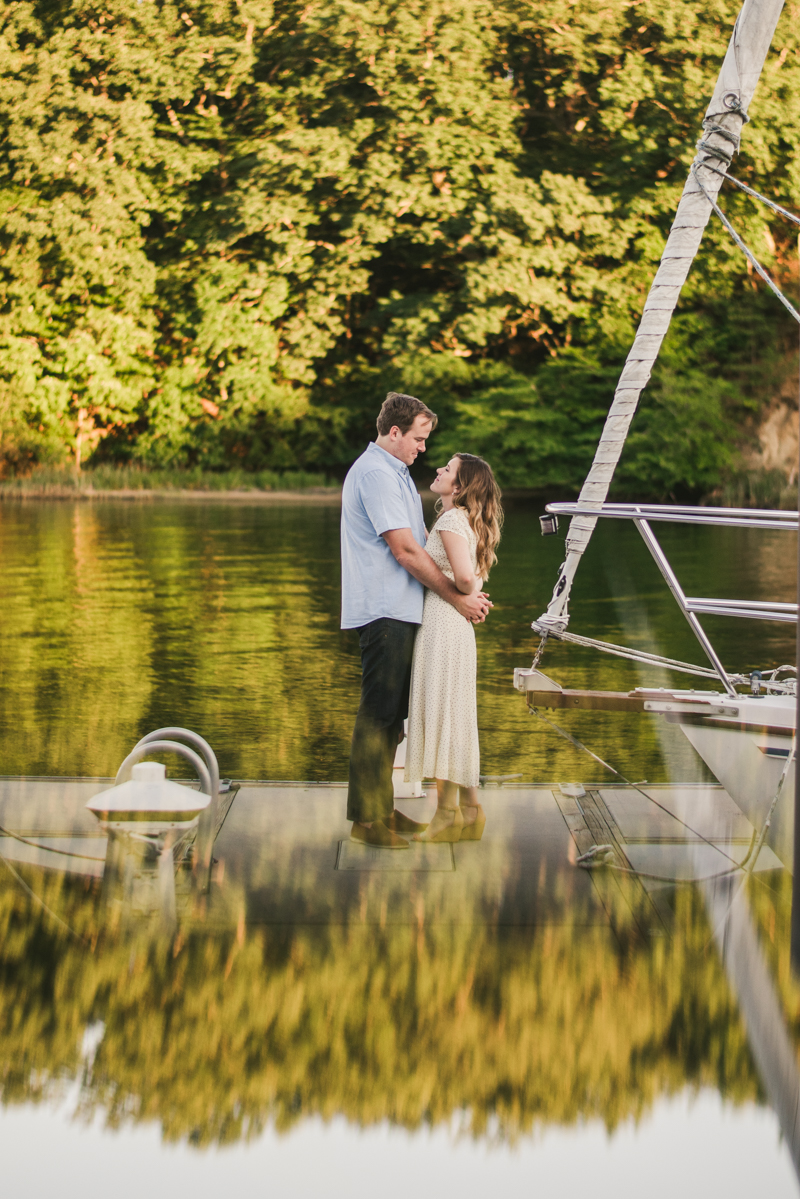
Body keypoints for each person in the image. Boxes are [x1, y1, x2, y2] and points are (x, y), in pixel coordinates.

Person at [341, 393, 492, 850]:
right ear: (394, 433)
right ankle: (366, 822)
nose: (423, 448)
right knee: (378, 715)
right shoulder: (375, 474)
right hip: (384, 609)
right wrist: (459, 600)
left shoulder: (397, 474)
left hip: (404, 610)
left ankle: (382, 810)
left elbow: (429, 550)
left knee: (393, 718)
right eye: (419, 438)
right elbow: (406, 550)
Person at [404, 454, 503, 843]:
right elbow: (472, 576)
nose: (440, 471)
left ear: (459, 488)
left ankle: (446, 814)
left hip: (443, 624)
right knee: (456, 717)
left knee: (444, 715)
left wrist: (473, 592)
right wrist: (476, 592)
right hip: (455, 627)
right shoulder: (465, 522)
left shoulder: (449, 520)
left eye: (448, 469)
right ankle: (471, 810)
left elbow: (464, 579)